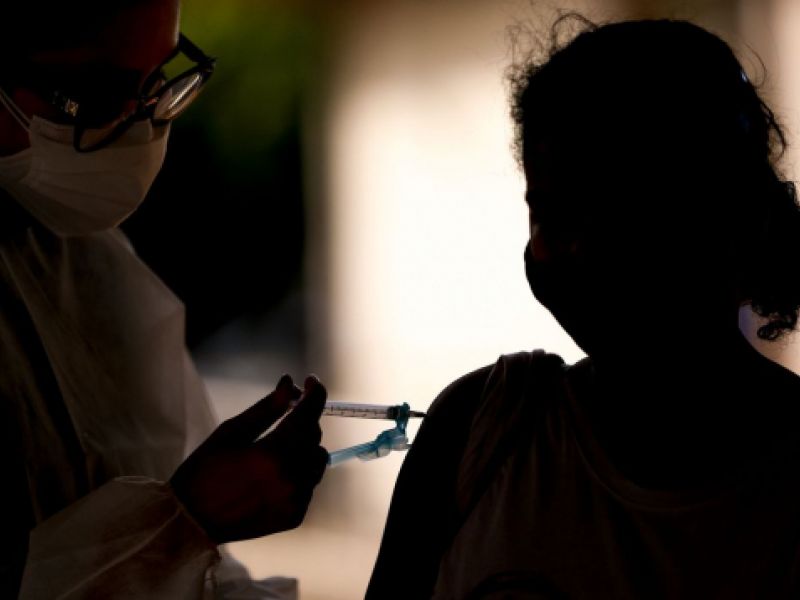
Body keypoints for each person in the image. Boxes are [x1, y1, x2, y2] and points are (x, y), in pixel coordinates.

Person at [366, 15, 800, 599]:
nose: (578, 250)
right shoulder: (478, 433)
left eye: (624, 210)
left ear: (727, 221)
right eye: (551, 215)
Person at [0, 1, 328, 598]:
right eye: (102, 94)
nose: (141, 126)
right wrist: (177, 523)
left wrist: (184, 530)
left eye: (159, 81)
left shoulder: (82, 262)